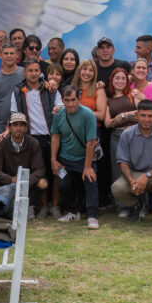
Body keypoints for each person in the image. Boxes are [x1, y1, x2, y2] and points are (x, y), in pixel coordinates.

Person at [112, 100, 152, 226]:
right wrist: (131, 181)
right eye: (143, 115)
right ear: (136, 115)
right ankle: (136, 205)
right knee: (117, 188)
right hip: (135, 173)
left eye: (150, 116)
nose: (147, 119)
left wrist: (147, 176)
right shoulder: (127, 134)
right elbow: (122, 162)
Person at [10, 59, 57, 213]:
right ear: (25, 72)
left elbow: (60, 109)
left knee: (55, 173)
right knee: (37, 174)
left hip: (51, 138)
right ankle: (41, 206)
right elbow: (14, 116)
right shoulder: (17, 92)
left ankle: (55, 206)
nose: (34, 74)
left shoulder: (50, 89)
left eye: (36, 70)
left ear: (40, 72)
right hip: (30, 139)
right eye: (30, 70)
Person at [51, 86, 100, 229]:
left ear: (79, 99)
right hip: (65, 158)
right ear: (62, 100)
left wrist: (87, 167)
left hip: (85, 157)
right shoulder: (58, 114)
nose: (70, 104)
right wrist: (53, 159)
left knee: (91, 181)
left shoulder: (88, 114)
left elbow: (91, 141)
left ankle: (92, 216)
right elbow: (55, 136)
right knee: (63, 185)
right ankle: (73, 211)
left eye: (73, 100)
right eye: (67, 100)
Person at [0, 112, 48, 211]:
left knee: (43, 183)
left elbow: (40, 169)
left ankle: (27, 206)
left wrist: (25, 180)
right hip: (7, 180)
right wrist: (11, 179)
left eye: (21, 125)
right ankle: (2, 205)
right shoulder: (0, 144)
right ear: (10, 127)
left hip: (27, 181)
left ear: (26, 128)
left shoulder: (33, 143)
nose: (18, 128)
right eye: (15, 125)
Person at [103, 67, 138, 213]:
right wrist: (116, 121)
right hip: (116, 136)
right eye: (117, 78)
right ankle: (122, 206)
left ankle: (140, 205)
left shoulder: (133, 94)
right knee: (118, 171)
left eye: (123, 78)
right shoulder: (108, 99)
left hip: (136, 135)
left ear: (127, 81)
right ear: (112, 80)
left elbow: (141, 114)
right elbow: (107, 123)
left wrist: (123, 116)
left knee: (138, 169)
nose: (120, 81)